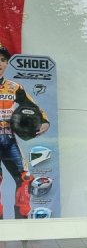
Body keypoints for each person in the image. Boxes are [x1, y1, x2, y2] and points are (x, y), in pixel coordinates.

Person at [0, 44, 50, 218]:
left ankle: (21, 225)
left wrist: (44, 122)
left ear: (7, 63)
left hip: (8, 137)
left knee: (25, 177)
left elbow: (33, 107)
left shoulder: (15, 87)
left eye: (3, 60)